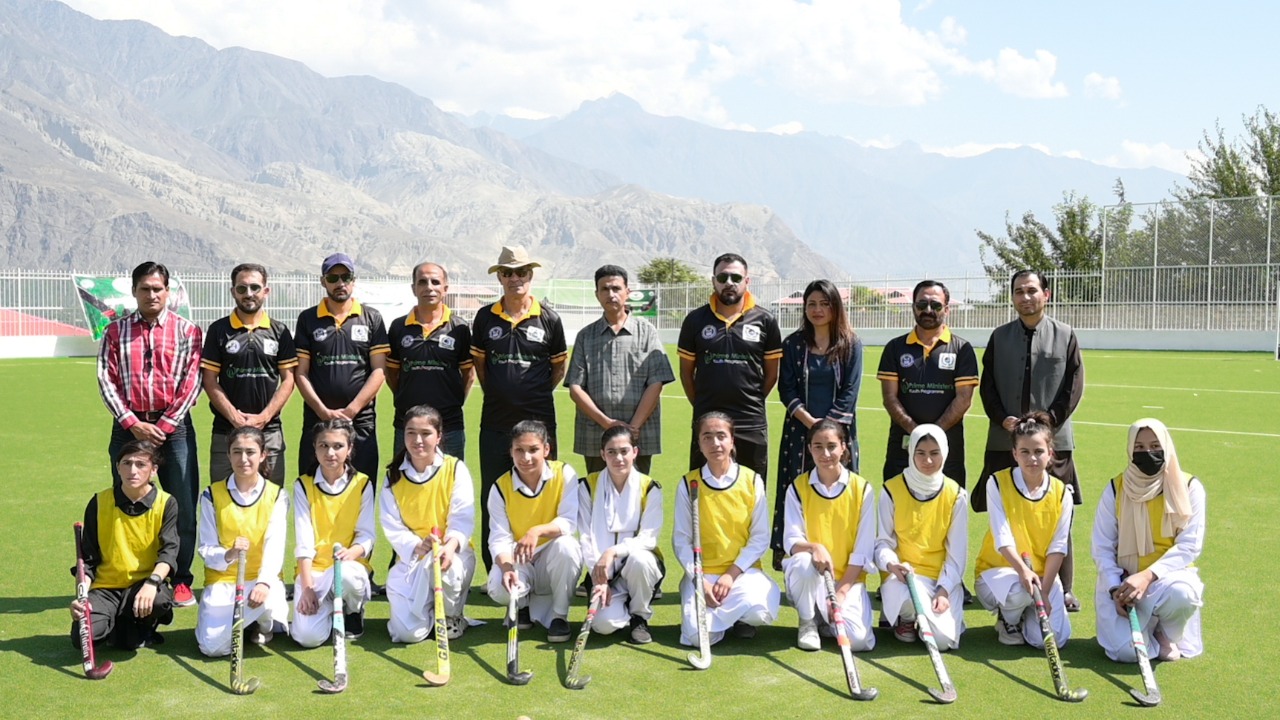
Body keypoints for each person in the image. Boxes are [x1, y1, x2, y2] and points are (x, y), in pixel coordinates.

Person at [97, 261, 202, 607]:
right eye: (145, 289)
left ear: (168, 292)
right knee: (125, 502)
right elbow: (106, 379)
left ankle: (181, 579)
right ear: (134, 292)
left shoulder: (188, 331)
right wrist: (131, 421)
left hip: (173, 431)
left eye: (158, 289)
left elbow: (192, 383)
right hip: (128, 428)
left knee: (182, 505)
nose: (152, 294)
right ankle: (124, 574)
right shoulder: (115, 332)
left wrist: (166, 425)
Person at [978, 270, 1085, 612]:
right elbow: (988, 387)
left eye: (1032, 290)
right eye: (1019, 291)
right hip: (1004, 440)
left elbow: (1073, 386)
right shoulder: (999, 337)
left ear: (1046, 294)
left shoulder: (1066, 336)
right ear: (1011, 297)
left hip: (1052, 443)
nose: (1026, 297)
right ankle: (1006, 580)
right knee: (1002, 515)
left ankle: (1062, 589)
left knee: (1059, 518)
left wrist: (1048, 422)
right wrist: (1002, 419)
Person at [471, 246, 568, 570]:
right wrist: (502, 392)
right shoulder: (485, 317)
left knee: (544, 493)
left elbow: (558, 368)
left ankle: (544, 566)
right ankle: (496, 566)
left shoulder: (549, 318)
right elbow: (480, 366)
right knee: (494, 493)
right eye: (508, 272)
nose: (515, 278)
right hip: (496, 422)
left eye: (521, 272)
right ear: (499, 276)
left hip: (539, 422)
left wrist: (531, 393)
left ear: (531, 275)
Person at [1092, 419, 1204, 662]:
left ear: (1166, 447)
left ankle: (1165, 631)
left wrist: (1147, 576)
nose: (1148, 453)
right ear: (1130, 450)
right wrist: (1114, 588)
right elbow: (1102, 547)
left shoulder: (1190, 487)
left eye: (1155, 446)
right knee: (1125, 654)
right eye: (1139, 448)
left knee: (1182, 594)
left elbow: (1189, 546)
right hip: (1124, 581)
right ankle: (1144, 630)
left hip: (1168, 578)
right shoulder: (1115, 488)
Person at [775, 279, 863, 569]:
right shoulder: (793, 344)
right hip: (800, 434)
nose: (817, 309)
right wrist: (811, 423)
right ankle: (797, 563)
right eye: (811, 304)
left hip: (839, 435)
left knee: (838, 494)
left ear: (836, 306)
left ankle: (842, 563)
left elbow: (850, 391)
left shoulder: (851, 344)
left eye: (824, 303)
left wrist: (827, 433)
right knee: (800, 493)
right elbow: (786, 389)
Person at [673, 412, 780, 647]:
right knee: (695, 638)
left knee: (761, 611)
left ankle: (739, 618)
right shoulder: (689, 483)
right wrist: (700, 581)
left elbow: (760, 537)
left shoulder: (752, 481)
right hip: (703, 575)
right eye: (707, 437)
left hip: (742, 573)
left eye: (721, 436)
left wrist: (731, 575)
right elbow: (681, 540)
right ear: (699, 443)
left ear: (732, 441)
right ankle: (722, 618)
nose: (715, 443)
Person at [678, 253, 782, 481]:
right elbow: (686, 374)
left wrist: (750, 399)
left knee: (753, 488)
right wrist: (703, 406)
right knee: (705, 486)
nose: (729, 283)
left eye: (736, 277)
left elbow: (772, 375)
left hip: (750, 419)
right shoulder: (695, 320)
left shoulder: (765, 320)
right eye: (722, 277)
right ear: (713, 280)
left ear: (747, 280)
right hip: (708, 418)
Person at [974, 411, 1073, 648]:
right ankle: (1009, 620)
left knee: (1051, 641)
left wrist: (1045, 593)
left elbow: (1058, 547)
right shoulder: (997, 482)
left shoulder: (1061, 493)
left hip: (1042, 576)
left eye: (1039, 451)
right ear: (1014, 454)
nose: (1032, 459)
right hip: (1000, 573)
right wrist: (1023, 571)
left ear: (1050, 453)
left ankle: (1026, 613)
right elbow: (1002, 536)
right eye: (1025, 452)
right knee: (1019, 591)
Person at [381, 405, 477, 643]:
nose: (418, 440)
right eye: (411, 432)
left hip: (450, 554)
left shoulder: (455, 469)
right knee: (409, 635)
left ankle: (452, 615)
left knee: (449, 567)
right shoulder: (393, 475)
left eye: (425, 433)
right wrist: (417, 545)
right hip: (412, 558)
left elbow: (462, 518)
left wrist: (450, 545)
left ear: (439, 436)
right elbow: (391, 524)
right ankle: (429, 611)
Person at [566, 264, 674, 476]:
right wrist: (608, 424)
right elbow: (576, 388)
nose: (611, 294)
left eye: (616, 288)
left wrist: (632, 427)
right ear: (597, 294)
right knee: (597, 495)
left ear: (628, 292)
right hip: (596, 434)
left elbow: (656, 382)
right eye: (604, 289)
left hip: (639, 434)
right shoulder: (585, 336)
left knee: (637, 497)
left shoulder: (647, 332)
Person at [70, 440, 178, 651]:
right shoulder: (99, 501)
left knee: (156, 602)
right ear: (117, 467)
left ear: (154, 470)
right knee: (83, 638)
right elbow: (88, 559)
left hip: (144, 585)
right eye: (126, 463)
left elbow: (169, 552)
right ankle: (117, 623)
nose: (132, 471)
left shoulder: (166, 502)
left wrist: (152, 583)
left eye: (141, 465)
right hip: (106, 587)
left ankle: (143, 625)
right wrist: (81, 597)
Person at [293, 252, 389, 479]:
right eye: (333, 278)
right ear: (323, 281)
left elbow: (379, 370)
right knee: (313, 489)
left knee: (361, 488)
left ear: (353, 280)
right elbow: (301, 373)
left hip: (360, 420)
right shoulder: (308, 319)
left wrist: (352, 410)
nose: (340, 283)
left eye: (345, 277)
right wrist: (322, 411)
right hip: (318, 420)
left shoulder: (371, 317)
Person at [782, 419, 875, 652]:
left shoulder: (863, 489)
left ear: (844, 446)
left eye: (832, 446)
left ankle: (826, 619)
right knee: (804, 561)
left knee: (860, 641)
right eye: (818, 446)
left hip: (848, 581)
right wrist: (814, 547)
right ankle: (808, 621)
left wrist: (841, 594)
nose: (825, 453)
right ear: (809, 449)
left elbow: (862, 551)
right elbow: (791, 542)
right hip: (809, 577)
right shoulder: (797, 487)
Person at [194, 427, 289, 656]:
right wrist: (229, 554)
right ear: (228, 455)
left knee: (269, 603)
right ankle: (241, 624)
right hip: (224, 580)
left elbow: (275, 545)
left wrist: (264, 582)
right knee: (211, 648)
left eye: (250, 452)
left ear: (263, 455)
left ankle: (260, 625)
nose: (243, 459)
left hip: (260, 581)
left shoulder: (277, 495)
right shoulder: (211, 495)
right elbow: (205, 547)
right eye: (237, 452)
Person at [486, 420, 583, 643]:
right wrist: (507, 568)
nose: (526, 458)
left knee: (567, 546)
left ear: (546, 450)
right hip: (519, 559)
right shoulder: (500, 488)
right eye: (519, 450)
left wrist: (536, 531)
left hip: (553, 555)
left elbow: (568, 522)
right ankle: (522, 605)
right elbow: (498, 538)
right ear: (511, 451)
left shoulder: (565, 473)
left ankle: (560, 616)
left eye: (533, 450)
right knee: (500, 589)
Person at [201, 263, 297, 485]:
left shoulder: (280, 332)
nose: (249, 294)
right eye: (242, 288)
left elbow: (289, 379)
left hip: (269, 432)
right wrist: (234, 416)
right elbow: (209, 379)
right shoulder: (218, 330)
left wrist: (264, 417)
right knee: (223, 501)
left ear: (266, 291)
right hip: (226, 431)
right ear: (233, 291)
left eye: (255, 287)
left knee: (271, 501)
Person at [875, 424, 968, 649]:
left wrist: (944, 590)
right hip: (903, 578)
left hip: (940, 579)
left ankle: (938, 616)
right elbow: (882, 543)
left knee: (943, 642)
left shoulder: (956, 494)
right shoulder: (891, 489)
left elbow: (957, 553)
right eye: (921, 453)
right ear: (911, 454)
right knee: (906, 599)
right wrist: (892, 564)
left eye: (934, 453)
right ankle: (906, 619)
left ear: (944, 453)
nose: (928, 461)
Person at [876, 280, 977, 485]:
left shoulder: (962, 349)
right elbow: (889, 397)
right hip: (903, 443)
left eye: (935, 305)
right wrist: (916, 432)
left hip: (948, 444)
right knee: (898, 504)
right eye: (921, 305)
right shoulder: (895, 348)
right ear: (913, 307)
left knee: (948, 506)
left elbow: (964, 398)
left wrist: (933, 435)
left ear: (946, 309)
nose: (928, 310)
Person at [291, 419, 376, 646]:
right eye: (323, 446)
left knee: (347, 575)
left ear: (349, 449)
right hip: (314, 572)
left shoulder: (363, 483)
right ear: (315, 449)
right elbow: (303, 541)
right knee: (307, 638)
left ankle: (351, 609)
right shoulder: (302, 485)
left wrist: (352, 553)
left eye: (338, 446)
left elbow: (367, 535)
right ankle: (327, 605)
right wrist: (308, 588)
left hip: (348, 567)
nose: (330, 453)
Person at [577, 425, 664, 644]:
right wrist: (599, 577)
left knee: (640, 559)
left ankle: (639, 616)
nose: (619, 458)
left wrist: (613, 551)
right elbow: (585, 537)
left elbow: (648, 538)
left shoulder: (650, 487)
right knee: (603, 626)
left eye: (624, 451)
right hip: (602, 571)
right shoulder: (587, 485)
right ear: (602, 454)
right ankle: (622, 605)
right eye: (611, 452)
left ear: (635, 452)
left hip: (639, 568)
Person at [386, 262, 474, 459]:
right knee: (404, 483)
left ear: (445, 288)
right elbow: (391, 373)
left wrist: (453, 401)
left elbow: (469, 374)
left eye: (435, 282)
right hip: (406, 424)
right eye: (422, 282)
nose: (429, 287)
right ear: (413, 288)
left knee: (450, 484)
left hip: (449, 425)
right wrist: (404, 396)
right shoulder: (398, 327)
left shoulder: (459, 328)